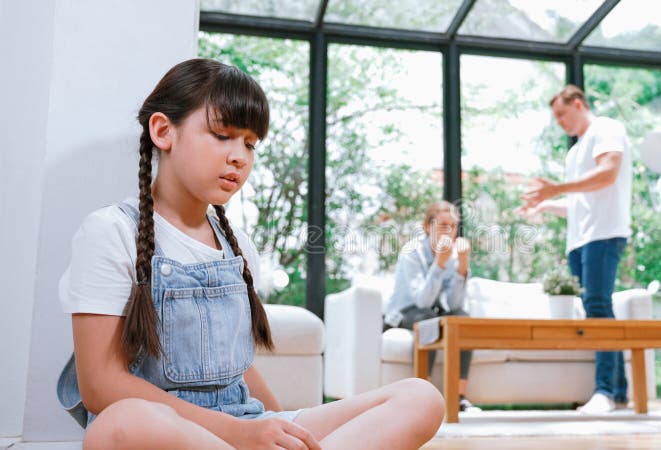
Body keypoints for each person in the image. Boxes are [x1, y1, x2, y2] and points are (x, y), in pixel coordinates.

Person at [56, 58, 444, 450]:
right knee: (122, 421)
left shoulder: (237, 244)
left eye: (250, 144)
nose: (240, 156)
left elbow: (239, 369)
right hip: (179, 432)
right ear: (163, 131)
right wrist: (240, 434)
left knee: (420, 397)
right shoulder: (111, 231)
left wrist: (283, 434)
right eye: (222, 135)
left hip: (245, 425)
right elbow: (101, 385)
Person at [518, 84, 632, 414]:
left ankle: (605, 392)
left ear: (578, 104)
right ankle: (619, 393)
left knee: (598, 307)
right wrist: (546, 206)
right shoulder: (575, 152)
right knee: (597, 309)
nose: (559, 122)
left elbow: (608, 174)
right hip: (580, 240)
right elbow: (580, 204)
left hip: (605, 234)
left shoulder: (606, 128)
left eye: (561, 114)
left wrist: (556, 188)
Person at [384, 201, 480, 413]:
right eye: (444, 225)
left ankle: (458, 398)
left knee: (461, 320)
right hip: (404, 313)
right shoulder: (412, 252)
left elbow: (454, 304)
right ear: (428, 226)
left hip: (431, 311)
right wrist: (439, 264)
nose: (450, 231)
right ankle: (421, 398)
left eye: (453, 226)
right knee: (428, 319)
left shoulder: (455, 256)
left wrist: (462, 267)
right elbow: (421, 301)